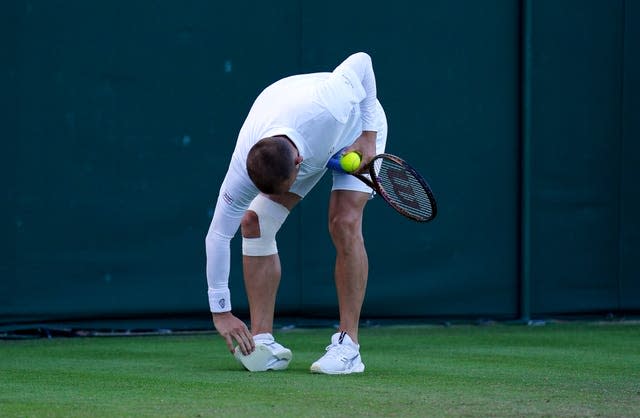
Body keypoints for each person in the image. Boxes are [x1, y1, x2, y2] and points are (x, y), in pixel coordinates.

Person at [205, 52, 387, 374]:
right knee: (254, 221)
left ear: (300, 164)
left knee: (343, 223)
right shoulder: (241, 165)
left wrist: (368, 136)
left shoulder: (329, 103)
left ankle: (348, 346)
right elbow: (218, 234)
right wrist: (221, 311)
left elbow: (362, 61)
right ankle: (263, 343)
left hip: (357, 127)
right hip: (300, 126)